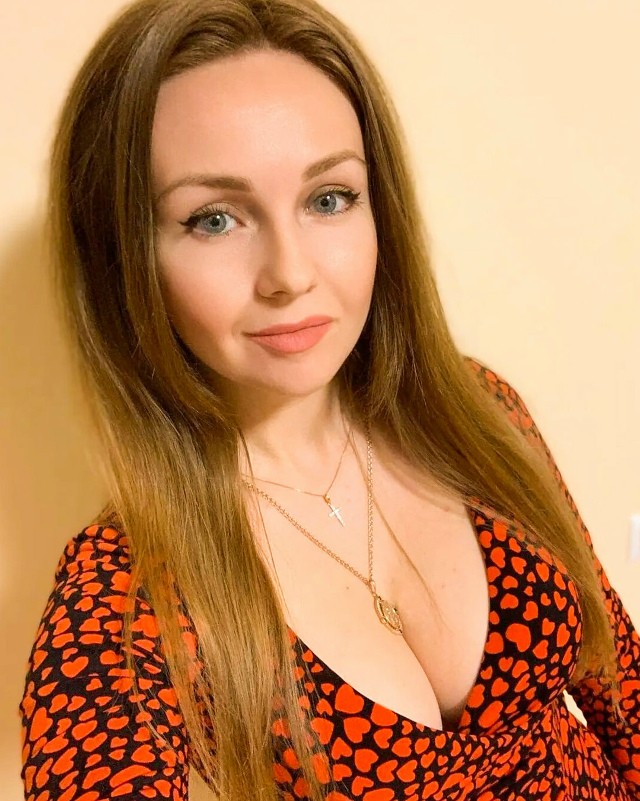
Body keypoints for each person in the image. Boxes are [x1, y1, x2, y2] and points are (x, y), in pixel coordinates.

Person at [19, 0, 639, 799]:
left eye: (328, 199)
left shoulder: (478, 413)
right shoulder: (122, 596)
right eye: (214, 218)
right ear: (124, 260)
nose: (290, 273)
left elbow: (619, 681)